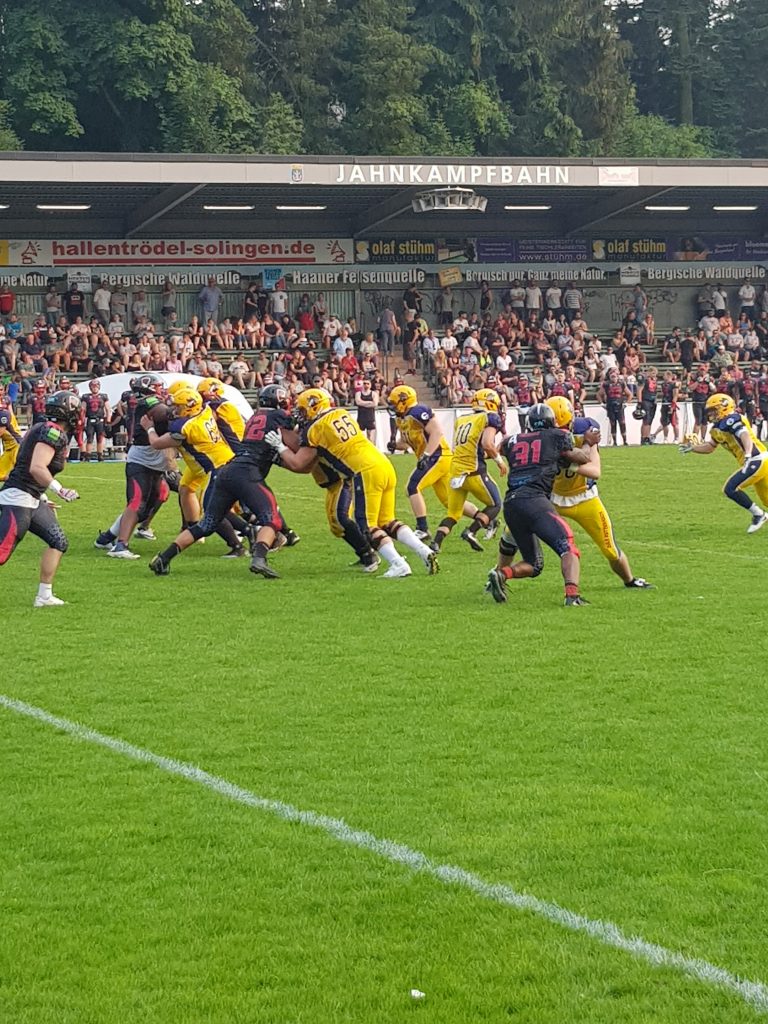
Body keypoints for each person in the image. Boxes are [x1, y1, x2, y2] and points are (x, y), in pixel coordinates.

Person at [265, 388, 438, 577]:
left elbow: (299, 463)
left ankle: (398, 564)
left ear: (314, 406)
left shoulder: (315, 429)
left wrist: (279, 447)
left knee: (367, 526)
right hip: (384, 464)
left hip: (364, 470)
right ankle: (424, 551)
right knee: (387, 521)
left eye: (303, 409)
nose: (301, 414)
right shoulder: (341, 412)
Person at [148, 385, 293, 579]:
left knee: (206, 524)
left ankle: (163, 558)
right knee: (271, 519)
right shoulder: (204, 414)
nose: (175, 410)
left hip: (225, 471)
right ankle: (259, 558)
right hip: (241, 470)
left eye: (179, 407)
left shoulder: (187, 426)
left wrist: (151, 425)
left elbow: (166, 436)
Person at [486, 403, 592, 607]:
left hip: (511, 504)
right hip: (535, 501)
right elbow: (582, 458)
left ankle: (501, 574)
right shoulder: (557, 436)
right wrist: (588, 442)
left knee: (534, 564)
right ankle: (572, 596)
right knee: (567, 547)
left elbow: (501, 449)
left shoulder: (512, 441)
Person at [545, 398, 651, 588]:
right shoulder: (541, 438)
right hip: (550, 497)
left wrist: (570, 465)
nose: (560, 432)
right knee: (512, 533)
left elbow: (595, 471)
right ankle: (498, 574)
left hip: (584, 497)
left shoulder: (584, 429)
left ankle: (629, 580)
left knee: (610, 549)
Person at [0, 390, 81, 606]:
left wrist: (42, 496)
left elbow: (26, 464)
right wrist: (60, 490)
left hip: (31, 497)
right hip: (18, 498)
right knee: (1, 554)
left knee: (58, 541)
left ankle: (44, 596)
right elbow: (36, 467)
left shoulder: (41, 427)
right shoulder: (53, 432)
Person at [388, 383, 478, 543]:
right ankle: (485, 518)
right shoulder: (402, 419)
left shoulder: (418, 412)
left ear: (404, 401)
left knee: (412, 487)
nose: (393, 407)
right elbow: (407, 443)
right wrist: (395, 445)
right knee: (449, 501)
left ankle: (422, 529)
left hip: (438, 455)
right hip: (434, 457)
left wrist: (427, 455)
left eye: (395, 403)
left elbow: (437, 432)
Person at [96, 373, 172, 559]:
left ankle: (107, 537)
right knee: (137, 502)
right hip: (142, 460)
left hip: (157, 460)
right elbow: (165, 413)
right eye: (158, 386)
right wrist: (183, 408)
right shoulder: (149, 402)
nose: (162, 390)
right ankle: (120, 546)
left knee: (160, 495)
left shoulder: (149, 402)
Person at [430, 389, 505, 554]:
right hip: (474, 472)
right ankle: (471, 531)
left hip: (456, 471)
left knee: (453, 513)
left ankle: (436, 543)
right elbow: (487, 443)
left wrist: (487, 454)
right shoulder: (489, 418)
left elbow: (472, 446)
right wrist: (499, 461)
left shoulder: (462, 419)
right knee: (495, 505)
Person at [680, 393, 768, 533]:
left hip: (757, 459)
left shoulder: (732, 419)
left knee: (730, 488)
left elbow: (744, 435)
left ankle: (759, 515)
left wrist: (748, 454)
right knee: (766, 499)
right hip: (757, 460)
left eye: (714, 410)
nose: (711, 414)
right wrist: (693, 448)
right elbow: (710, 447)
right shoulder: (717, 428)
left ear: (724, 407)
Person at [597, 369, 631, 446]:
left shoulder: (622, 383)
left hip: (620, 406)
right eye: (612, 376)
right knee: (613, 423)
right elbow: (598, 394)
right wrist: (602, 404)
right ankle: (614, 441)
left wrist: (627, 403)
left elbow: (629, 394)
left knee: (622, 423)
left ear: (617, 376)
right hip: (610, 406)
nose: (613, 378)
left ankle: (625, 441)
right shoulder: (606, 384)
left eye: (614, 376)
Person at [80, 379, 111, 462]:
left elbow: (108, 409)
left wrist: (108, 421)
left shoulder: (103, 396)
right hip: (90, 419)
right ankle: (88, 456)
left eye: (96, 386)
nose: (95, 388)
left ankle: (100, 455)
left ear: (99, 387)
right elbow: (83, 410)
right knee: (89, 438)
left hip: (100, 420)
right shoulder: (86, 397)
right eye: (93, 387)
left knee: (100, 438)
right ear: (90, 387)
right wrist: (82, 421)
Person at [652, 371, 680, 444]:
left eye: (664, 375)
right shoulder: (663, 384)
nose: (663, 377)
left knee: (674, 422)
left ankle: (676, 438)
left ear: (668, 376)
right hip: (664, 404)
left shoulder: (674, 384)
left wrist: (673, 405)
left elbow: (675, 395)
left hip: (671, 403)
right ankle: (665, 438)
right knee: (664, 423)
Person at [635, 366, 658, 445]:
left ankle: (647, 437)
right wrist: (639, 402)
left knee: (650, 421)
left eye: (655, 373)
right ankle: (644, 437)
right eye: (653, 373)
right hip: (646, 401)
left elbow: (655, 391)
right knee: (646, 420)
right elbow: (639, 390)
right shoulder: (644, 380)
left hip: (652, 401)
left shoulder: (654, 381)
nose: (654, 375)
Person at [354, 376, 378, 442]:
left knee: (370, 437)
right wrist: (369, 402)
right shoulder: (358, 393)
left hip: (370, 418)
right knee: (360, 436)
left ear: (370, 385)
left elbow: (375, 404)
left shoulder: (374, 394)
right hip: (361, 418)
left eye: (368, 384)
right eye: (364, 383)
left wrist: (363, 403)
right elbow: (358, 402)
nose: (366, 385)